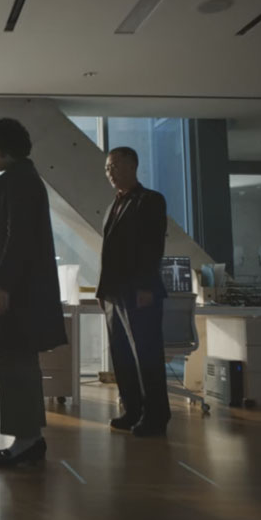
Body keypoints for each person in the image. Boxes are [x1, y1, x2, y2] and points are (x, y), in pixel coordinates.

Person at [0, 118, 66, 467]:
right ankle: (28, 438)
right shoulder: (23, 180)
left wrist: (2, 283)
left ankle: (27, 440)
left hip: (18, 293)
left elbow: (20, 237)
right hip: (25, 290)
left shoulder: (18, 182)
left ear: (5, 148)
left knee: (17, 364)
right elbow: (15, 233)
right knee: (21, 364)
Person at [97, 146, 170, 437]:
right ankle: (133, 410)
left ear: (132, 166)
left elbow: (153, 247)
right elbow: (109, 252)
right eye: (107, 168)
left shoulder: (150, 200)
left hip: (139, 291)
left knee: (147, 355)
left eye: (114, 166)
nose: (110, 172)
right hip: (114, 293)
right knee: (122, 355)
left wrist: (145, 287)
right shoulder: (113, 204)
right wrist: (102, 291)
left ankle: (156, 416)